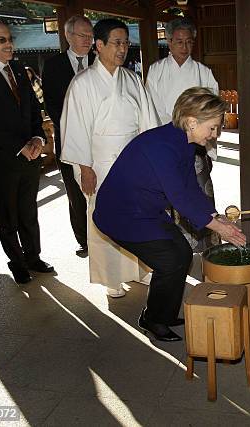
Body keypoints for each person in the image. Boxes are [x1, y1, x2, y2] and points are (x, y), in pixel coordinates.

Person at [93, 87, 246, 341]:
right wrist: (218, 227)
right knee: (170, 260)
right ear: (191, 121)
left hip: (145, 208)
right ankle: (153, 319)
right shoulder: (161, 146)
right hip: (121, 214)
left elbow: (190, 187)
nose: (215, 134)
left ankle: (161, 312)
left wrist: (213, 215)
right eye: (213, 127)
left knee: (181, 254)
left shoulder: (183, 141)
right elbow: (179, 196)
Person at [60, 18, 158, 298]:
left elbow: (147, 124)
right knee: (105, 220)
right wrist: (85, 168)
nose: (123, 48)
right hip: (100, 163)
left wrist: (150, 163)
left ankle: (138, 270)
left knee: (137, 217)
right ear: (99, 46)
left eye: (126, 42)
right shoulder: (82, 83)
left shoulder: (132, 80)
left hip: (132, 163)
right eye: (116, 42)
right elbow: (76, 129)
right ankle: (111, 278)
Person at [0, 21, 54, 284]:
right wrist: (21, 146)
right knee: (8, 214)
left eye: (9, 39)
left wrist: (38, 137)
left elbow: (32, 109)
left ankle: (33, 256)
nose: (9, 44)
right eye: (2, 40)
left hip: (31, 153)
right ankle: (16, 262)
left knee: (29, 209)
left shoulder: (19, 69)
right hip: (3, 157)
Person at [145, 18, 219, 252]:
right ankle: (173, 246)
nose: (184, 47)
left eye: (189, 42)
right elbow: (151, 107)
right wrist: (171, 133)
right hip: (166, 142)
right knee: (168, 193)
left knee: (197, 191)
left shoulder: (203, 72)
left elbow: (212, 108)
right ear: (168, 41)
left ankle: (206, 244)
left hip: (196, 143)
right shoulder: (156, 71)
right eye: (179, 42)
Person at [43, 15, 96, 258]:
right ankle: (84, 240)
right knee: (76, 193)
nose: (88, 39)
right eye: (82, 35)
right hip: (68, 138)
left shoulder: (99, 60)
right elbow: (52, 105)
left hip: (100, 138)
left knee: (102, 188)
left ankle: (106, 235)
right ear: (68, 36)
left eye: (90, 35)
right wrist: (74, 127)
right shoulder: (54, 66)